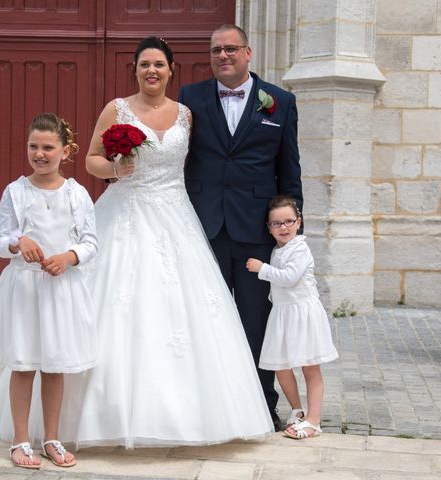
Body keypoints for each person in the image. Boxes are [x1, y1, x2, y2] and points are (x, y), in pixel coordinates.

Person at [77, 36, 274, 447]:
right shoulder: (117, 109)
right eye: (144, 64)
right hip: (127, 212)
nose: (152, 71)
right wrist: (116, 169)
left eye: (159, 65)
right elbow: (92, 159)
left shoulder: (186, 114)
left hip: (176, 215)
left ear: (171, 70)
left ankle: (194, 414)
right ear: (134, 68)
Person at [178, 24, 303, 431]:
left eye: (231, 49)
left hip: (255, 234)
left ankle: (261, 407)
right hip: (203, 228)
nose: (223, 56)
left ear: (249, 53)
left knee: (256, 323)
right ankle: (203, 405)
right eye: (216, 50)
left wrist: (291, 234)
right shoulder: (190, 99)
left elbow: (289, 170)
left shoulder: (280, 102)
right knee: (204, 320)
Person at [0, 113, 98, 468]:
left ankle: (51, 438)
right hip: (25, 288)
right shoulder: (16, 191)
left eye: (47, 147)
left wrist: (70, 256)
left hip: (61, 289)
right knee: (24, 365)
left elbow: (91, 243)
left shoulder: (77, 193)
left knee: (54, 366)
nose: (39, 154)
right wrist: (17, 241)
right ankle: (20, 440)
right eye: (33, 147)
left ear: (65, 151)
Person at [246, 196, 338, 439]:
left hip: (302, 313)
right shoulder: (278, 249)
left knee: (310, 367)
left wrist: (261, 269)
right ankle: (297, 410)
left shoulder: (300, 249)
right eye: (276, 223)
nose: (283, 227)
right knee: (281, 367)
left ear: (299, 222)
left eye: (288, 221)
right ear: (268, 228)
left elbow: (290, 278)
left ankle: (314, 420)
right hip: (283, 314)